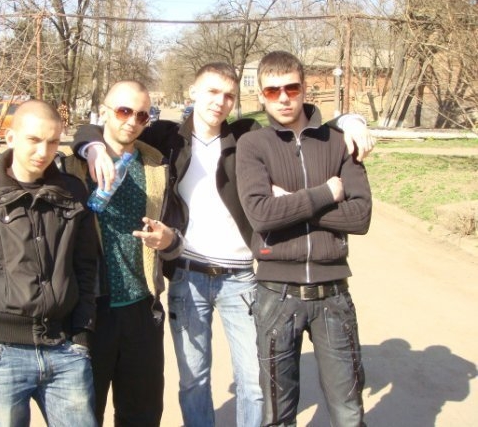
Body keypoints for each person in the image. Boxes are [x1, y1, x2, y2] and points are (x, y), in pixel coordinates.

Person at [70, 63, 375, 427]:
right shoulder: (168, 137)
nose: (220, 102)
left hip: (241, 278)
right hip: (187, 275)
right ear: (193, 92)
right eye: (212, 92)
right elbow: (109, 128)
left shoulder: (246, 136)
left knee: (254, 383)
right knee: (194, 382)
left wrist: (350, 120)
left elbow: (300, 124)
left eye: (229, 95)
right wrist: (91, 146)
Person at [0, 81, 181, 427]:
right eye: (123, 111)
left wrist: (170, 241)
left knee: (142, 415)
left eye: (142, 115)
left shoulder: (156, 165)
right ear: (104, 112)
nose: (132, 121)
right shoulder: (70, 166)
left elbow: (177, 227)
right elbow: (18, 168)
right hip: (90, 314)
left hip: (141, 309)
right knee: (88, 415)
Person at [0, 100, 98, 426]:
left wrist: (81, 334)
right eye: (33, 140)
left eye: (53, 141)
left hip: (63, 349)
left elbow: (85, 266)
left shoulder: (71, 192)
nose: (43, 151)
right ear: (10, 138)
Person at [235, 50, 372, 427]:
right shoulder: (253, 145)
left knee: (348, 411)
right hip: (276, 296)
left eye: (291, 88)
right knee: (277, 414)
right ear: (261, 96)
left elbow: (360, 217)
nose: (283, 97)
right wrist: (327, 194)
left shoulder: (339, 141)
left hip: (333, 296)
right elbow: (261, 213)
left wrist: (292, 203)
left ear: (304, 88)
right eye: (272, 90)